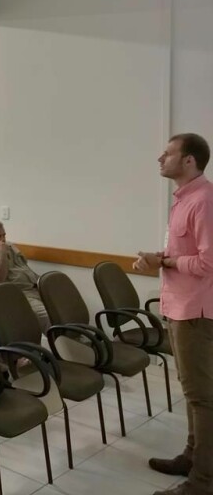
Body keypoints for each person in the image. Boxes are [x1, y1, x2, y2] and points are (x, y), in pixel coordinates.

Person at [133, 133, 213, 495]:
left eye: (168, 154)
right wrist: (159, 258)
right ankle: (192, 456)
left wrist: (163, 260)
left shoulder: (204, 200)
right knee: (193, 393)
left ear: (189, 161)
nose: (160, 158)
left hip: (196, 311)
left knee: (202, 397)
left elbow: (209, 262)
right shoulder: (184, 200)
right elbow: (187, 255)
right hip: (180, 307)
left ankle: (201, 482)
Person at [0, 220, 50, 333]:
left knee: (64, 309)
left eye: (4, 235)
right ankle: (63, 347)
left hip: (36, 287)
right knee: (49, 317)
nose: (2, 239)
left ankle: (77, 344)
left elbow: (24, 267)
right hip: (20, 293)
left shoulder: (10, 245)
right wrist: (2, 255)